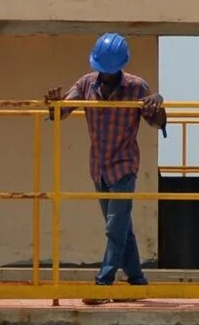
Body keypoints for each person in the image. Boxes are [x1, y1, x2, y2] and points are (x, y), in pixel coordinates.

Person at [45, 32, 167, 287]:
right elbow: (62, 113)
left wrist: (159, 104)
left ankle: (104, 279)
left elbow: (158, 123)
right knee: (120, 227)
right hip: (99, 167)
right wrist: (54, 106)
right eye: (103, 71)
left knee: (115, 227)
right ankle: (137, 278)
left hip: (124, 166)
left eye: (110, 72)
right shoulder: (86, 84)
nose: (106, 77)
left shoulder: (136, 87)